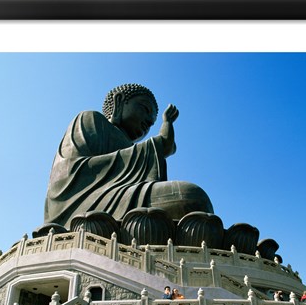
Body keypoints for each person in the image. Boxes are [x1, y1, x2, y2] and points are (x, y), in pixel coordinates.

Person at [44, 83, 214, 228]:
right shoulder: (92, 120)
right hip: (85, 204)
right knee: (191, 195)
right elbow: (70, 174)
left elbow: (165, 147)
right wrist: (146, 150)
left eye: (152, 122)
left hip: (124, 195)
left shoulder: (134, 148)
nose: (148, 122)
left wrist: (167, 124)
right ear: (119, 102)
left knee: (192, 198)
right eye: (145, 109)